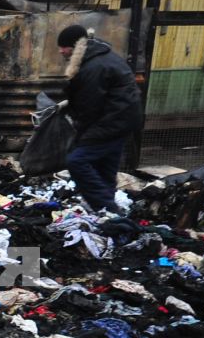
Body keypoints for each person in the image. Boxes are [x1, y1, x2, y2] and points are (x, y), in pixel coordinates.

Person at [56, 23, 143, 214]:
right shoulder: (101, 57)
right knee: (105, 167)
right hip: (124, 121)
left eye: (64, 47)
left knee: (77, 161)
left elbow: (89, 107)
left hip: (112, 122)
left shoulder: (92, 67)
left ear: (75, 46)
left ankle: (108, 210)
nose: (61, 51)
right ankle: (106, 213)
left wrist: (79, 136)